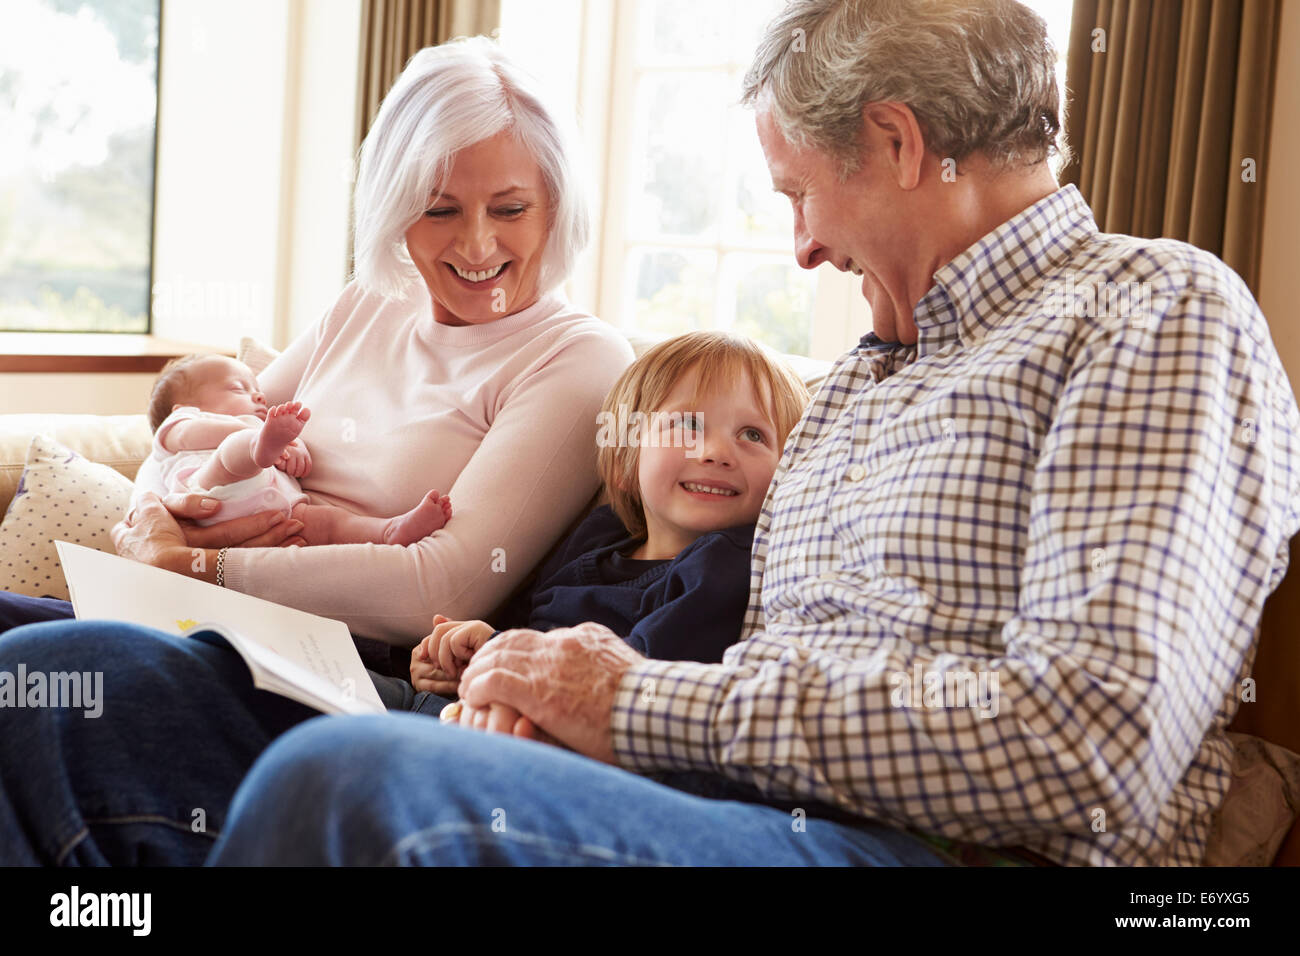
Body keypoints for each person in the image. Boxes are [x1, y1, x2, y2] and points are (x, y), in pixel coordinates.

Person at [205, 0, 1296, 867]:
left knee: (348, 781)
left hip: (921, 845)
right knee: (102, 680)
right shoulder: (868, 376)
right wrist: (550, 705)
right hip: (729, 801)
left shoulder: (1151, 310)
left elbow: (1085, 744)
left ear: (895, 142)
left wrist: (629, 702)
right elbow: (741, 668)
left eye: (798, 195)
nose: (804, 250)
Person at [0, 36, 632, 648]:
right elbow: (193, 438)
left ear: (557, 205)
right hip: (194, 613)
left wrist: (192, 569)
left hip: (325, 659)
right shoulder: (372, 300)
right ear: (394, 207)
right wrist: (154, 527)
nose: (474, 244)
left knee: (45, 663)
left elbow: (438, 588)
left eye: (510, 209)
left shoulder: (577, 359)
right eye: (439, 210)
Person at [401, 331, 810, 716]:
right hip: (468, 706)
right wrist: (458, 660)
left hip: (539, 743)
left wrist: (494, 651)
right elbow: (523, 624)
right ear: (627, 462)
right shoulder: (601, 533)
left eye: (753, 435)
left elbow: (638, 685)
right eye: (687, 426)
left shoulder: (723, 568)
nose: (717, 451)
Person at [140, 354, 452, 546]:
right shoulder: (180, 424)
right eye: (239, 388)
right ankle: (258, 449)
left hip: (282, 514)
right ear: (182, 407)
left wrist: (291, 444)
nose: (259, 397)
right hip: (209, 494)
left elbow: (271, 445)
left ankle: (387, 531)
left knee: (329, 523)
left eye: (258, 391)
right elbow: (198, 435)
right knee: (233, 452)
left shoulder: (259, 429)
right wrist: (261, 437)